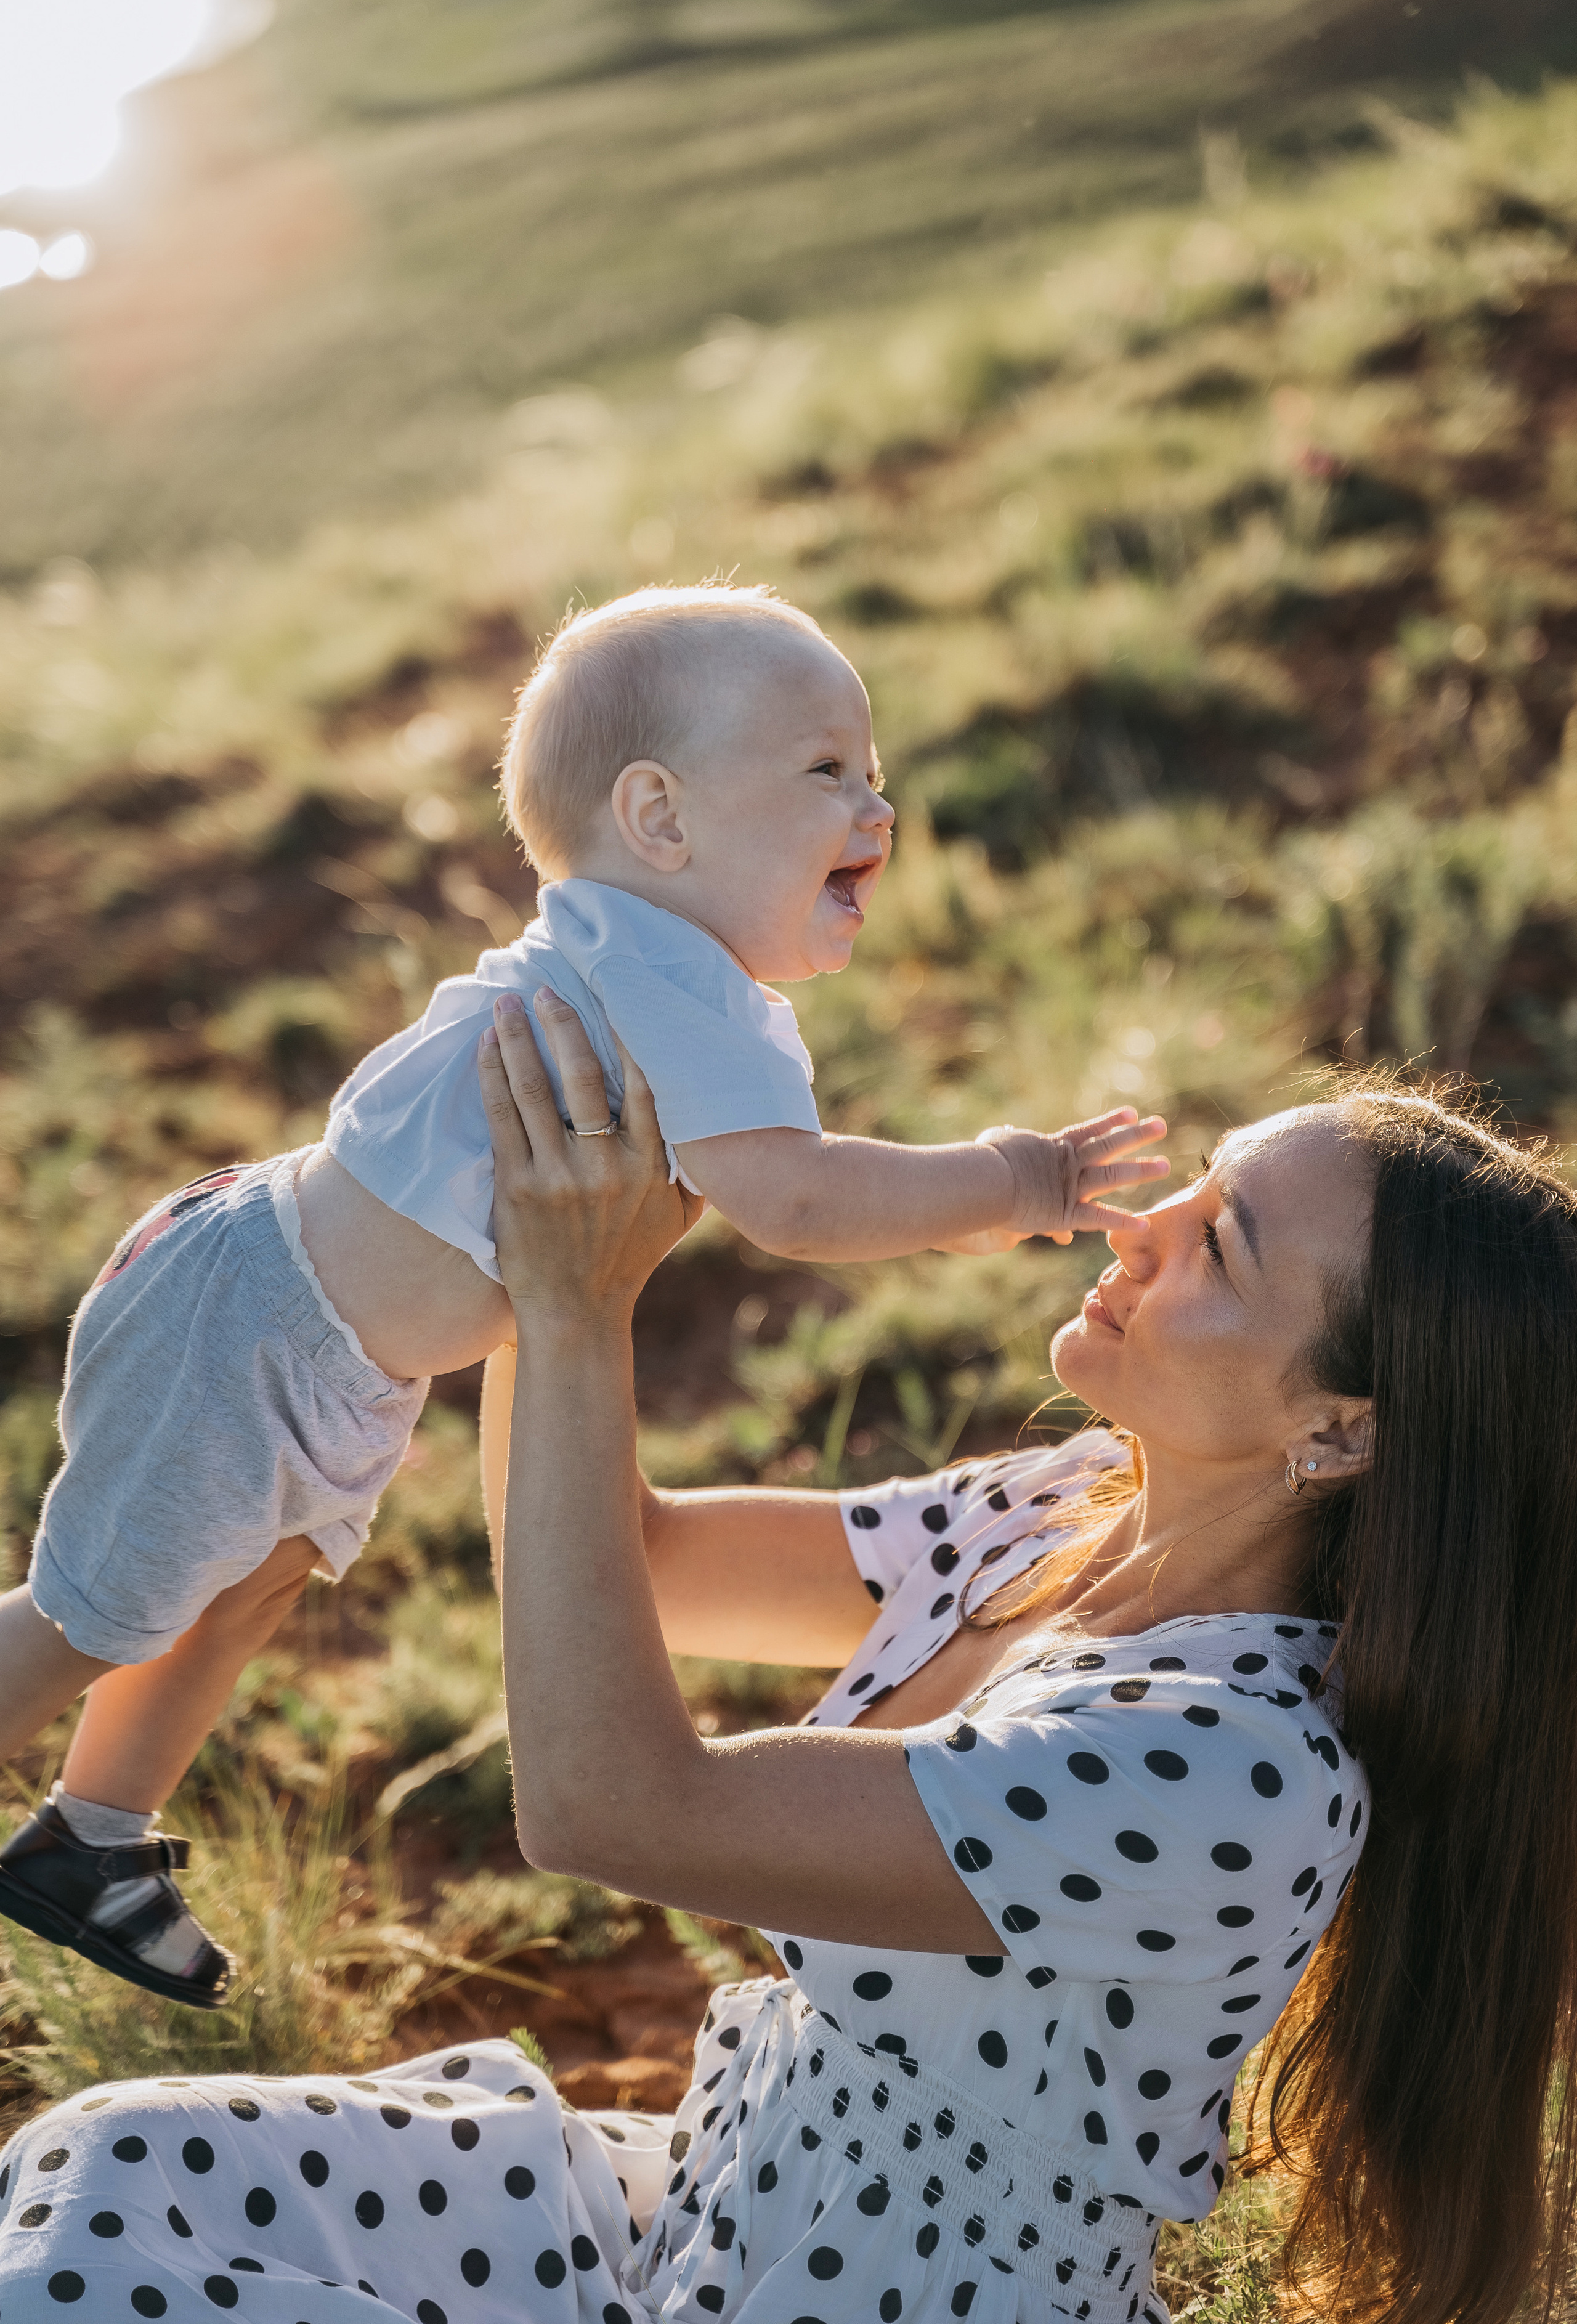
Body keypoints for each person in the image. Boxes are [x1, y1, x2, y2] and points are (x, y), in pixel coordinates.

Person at [5, 1005, 1575, 2324]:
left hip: (849, 2298)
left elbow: (612, 1807)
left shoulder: (1231, 1765)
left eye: (1217, 1246)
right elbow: (631, 1544)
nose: (1135, 1226)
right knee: (110, 2165)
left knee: (72, 2290)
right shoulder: (1058, 1512)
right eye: (1196, 1183)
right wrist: (490, 1251)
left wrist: (577, 1306)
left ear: (1338, 1429)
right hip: (699, 2201)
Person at [0, 583, 1167, 2009]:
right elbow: (795, 1199)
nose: (876, 809)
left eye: (875, 774)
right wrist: (1015, 1181)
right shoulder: (665, 971)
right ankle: (88, 1820)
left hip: (315, 1339)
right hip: (253, 1324)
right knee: (94, 1614)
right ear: (660, 821)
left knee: (239, 1589)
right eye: (823, 773)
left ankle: (92, 1839)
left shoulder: (667, 972)